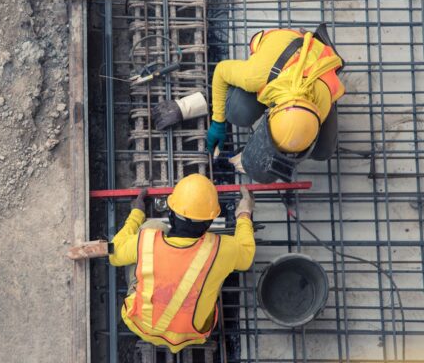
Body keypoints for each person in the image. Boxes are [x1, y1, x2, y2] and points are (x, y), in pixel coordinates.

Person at [108, 174, 255, 353]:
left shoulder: (147, 241)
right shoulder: (222, 249)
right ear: (209, 223)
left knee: (151, 226)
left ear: (171, 214)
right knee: (216, 268)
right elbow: (247, 256)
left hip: (141, 324)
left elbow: (114, 254)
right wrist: (244, 214)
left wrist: (136, 213)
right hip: (192, 334)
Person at [206, 24, 345, 182]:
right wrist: (218, 121)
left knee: (324, 151)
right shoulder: (256, 76)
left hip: (318, 69)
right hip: (281, 51)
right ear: (272, 112)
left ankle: (323, 47)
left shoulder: (323, 102)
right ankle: (312, 38)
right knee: (237, 113)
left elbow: (295, 134)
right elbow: (220, 71)